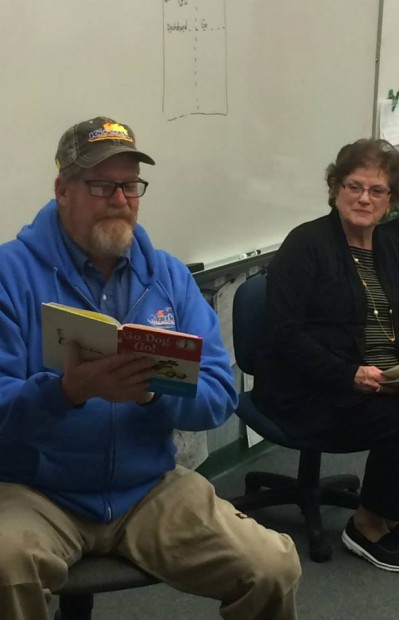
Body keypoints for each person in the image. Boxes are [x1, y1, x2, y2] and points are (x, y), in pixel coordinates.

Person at [0, 116, 301, 620]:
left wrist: (154, 391)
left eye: (131, 185)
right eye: (101, 185)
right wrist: (65, 392)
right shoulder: (10, 275)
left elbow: (220, 396)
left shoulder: (167, 276)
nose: (120, 199)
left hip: (147, 488)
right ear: (63, 190)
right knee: (6, 566)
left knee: (271, 566)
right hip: (38, 490)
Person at [252, 138, 399, 573]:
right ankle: (365, 525)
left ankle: (391, 513)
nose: (364, 198)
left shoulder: (397, 252)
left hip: (383, 380)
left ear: (390, 201)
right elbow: (285, 335)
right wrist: (350, 374)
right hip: (311, 387)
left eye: (377, 190)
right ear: (335, 188)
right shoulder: (305, 245)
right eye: (354, 186)